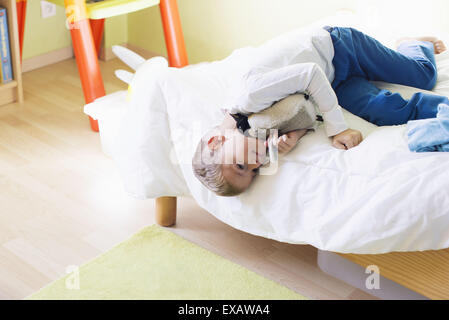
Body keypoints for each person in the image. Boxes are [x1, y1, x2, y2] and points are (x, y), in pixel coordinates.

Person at [192, 26, 448, 197]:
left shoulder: (248, 97)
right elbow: (302, 106)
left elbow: (310, 73)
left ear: (216, 140)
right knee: (385, 111)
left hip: (339, 50)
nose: (256, 163)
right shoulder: (253, 134)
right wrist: (297, 133)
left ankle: (411, 43)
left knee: (422, 75)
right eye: (254, 171)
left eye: (240, 165)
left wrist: (338, 128)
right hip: (333, 83)